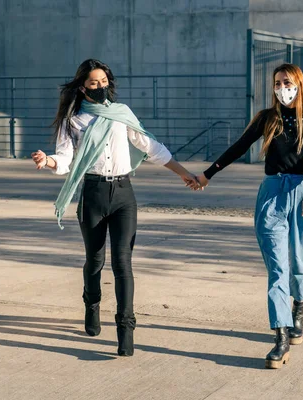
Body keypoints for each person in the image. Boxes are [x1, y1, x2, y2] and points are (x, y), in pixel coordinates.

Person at [31, 59, 199, 357]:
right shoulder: (74, 120)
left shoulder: (122, 114)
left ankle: (125, 329)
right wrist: (48, 161)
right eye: (94, 83)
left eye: (104, 81)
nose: (101, 87)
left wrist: (182, 172)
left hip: (123, 194)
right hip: (93, 194)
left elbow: (151, 147)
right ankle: (91, 305)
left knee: (123, 263)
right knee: (95, 260)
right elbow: (65, 159)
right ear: (82, 88)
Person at [196, 63, 303, 369]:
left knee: (300, 256)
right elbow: (238, 147)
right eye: (278, 83)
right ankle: (280, 337)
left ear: (300, 84)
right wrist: (207, 175)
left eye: (288, 82)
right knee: (277, 267)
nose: (283, 88)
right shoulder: (267, 119)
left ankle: (298, 307)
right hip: (272, 194)